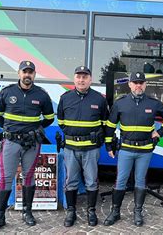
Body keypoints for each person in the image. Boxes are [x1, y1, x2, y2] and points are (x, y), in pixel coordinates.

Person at [0, 60, 54, 233]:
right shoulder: (7, 92)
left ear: (34, 75)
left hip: (32, 143)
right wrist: (9, 129)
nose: (27, 75)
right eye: (24, 72)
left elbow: (49, 118)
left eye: (30, 72)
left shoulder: (42, 95)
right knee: (6, 178)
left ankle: (27, 212)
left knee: (29, 176)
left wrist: (35, 130)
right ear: (19, 73)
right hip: (11, 142)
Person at [103, 72, 163, 227]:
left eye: (141, 82)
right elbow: (110, 125)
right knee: (120, 181)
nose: (138, 85)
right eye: (135, 82)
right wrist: (108, 145)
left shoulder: (153, 103)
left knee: (140, 181)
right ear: (129, 84)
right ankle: (115, 212)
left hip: (145, 150)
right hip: (126, 150)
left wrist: (159, 133)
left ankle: (137, 212)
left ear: (145, 85)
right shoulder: (120, 103)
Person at [57, 66, 109, 227]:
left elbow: (104, 123)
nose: (81, 80)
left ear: (90, 79)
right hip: (71, 148)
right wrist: (74, 134)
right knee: (71, 181)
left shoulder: (99, 99)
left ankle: (91, 211)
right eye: (79, 77)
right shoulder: (65, 98)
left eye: (85, 77)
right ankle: (71, 211)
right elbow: (61, 122)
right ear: (74, 79)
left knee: (91, 182)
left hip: (91, 149)